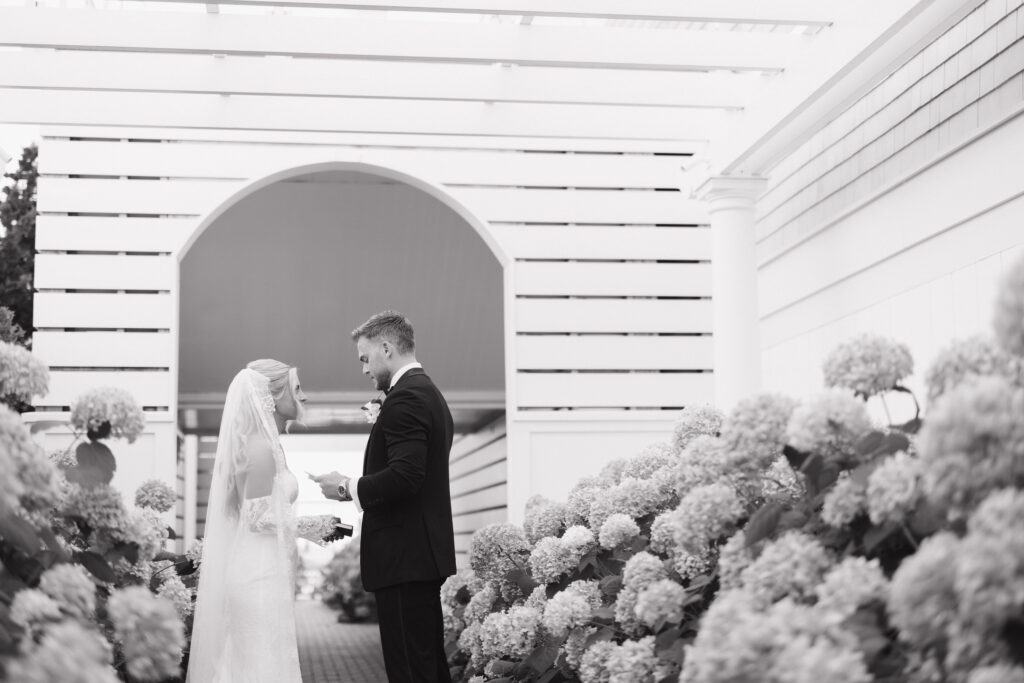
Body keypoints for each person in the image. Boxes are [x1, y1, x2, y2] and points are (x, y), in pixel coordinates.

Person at [315, 311, 456, 683]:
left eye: (365, 358)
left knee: (412, 669)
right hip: (417, 555)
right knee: (426, 665)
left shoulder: (407, 398)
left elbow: (407, 476)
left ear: (387, 347)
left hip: (405, 556)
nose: (363, 369)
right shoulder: (428, 393)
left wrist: (347, 487)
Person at [188, 359, 350, 683]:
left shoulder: (266, 444)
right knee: (261, 668)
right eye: (297, 388)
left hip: (263, 569)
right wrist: (315, 526)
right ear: (273, 396)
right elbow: (257, 517)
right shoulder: (260, 447)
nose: (304, 397)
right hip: (256, 577)